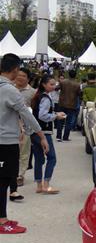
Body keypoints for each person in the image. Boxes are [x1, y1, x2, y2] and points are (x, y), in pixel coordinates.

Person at [0, 54, 48, 232]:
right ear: (14, 70)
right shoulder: (10, 90)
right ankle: (2, 222)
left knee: (3, 181)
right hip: (5, 142)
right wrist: (41, 135)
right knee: (4, 181)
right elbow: (27, 115)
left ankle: (2, 218)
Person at [31, 75, 65, 195]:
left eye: (54, 84)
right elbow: (43, 115)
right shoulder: (45, 97)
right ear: (44, 84)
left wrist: (55, 113)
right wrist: (56, 116)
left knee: (39, 159)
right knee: (52, 158)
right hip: (44, 132)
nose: (54, 86)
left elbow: (40, 113)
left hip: (35, 131)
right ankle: (46, 184)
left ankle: (39, 185)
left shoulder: (38, 95)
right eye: (51, 84)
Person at [55, 69, 81, 141]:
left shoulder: (63, 82)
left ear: (68, 74)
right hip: (72, 105)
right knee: (68, 122)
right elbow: (79, 94)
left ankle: (58, 136)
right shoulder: (77, 84)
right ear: (75, 75)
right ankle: (65, 137)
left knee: (60, 120)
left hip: (62, 104)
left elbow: (56, 88)